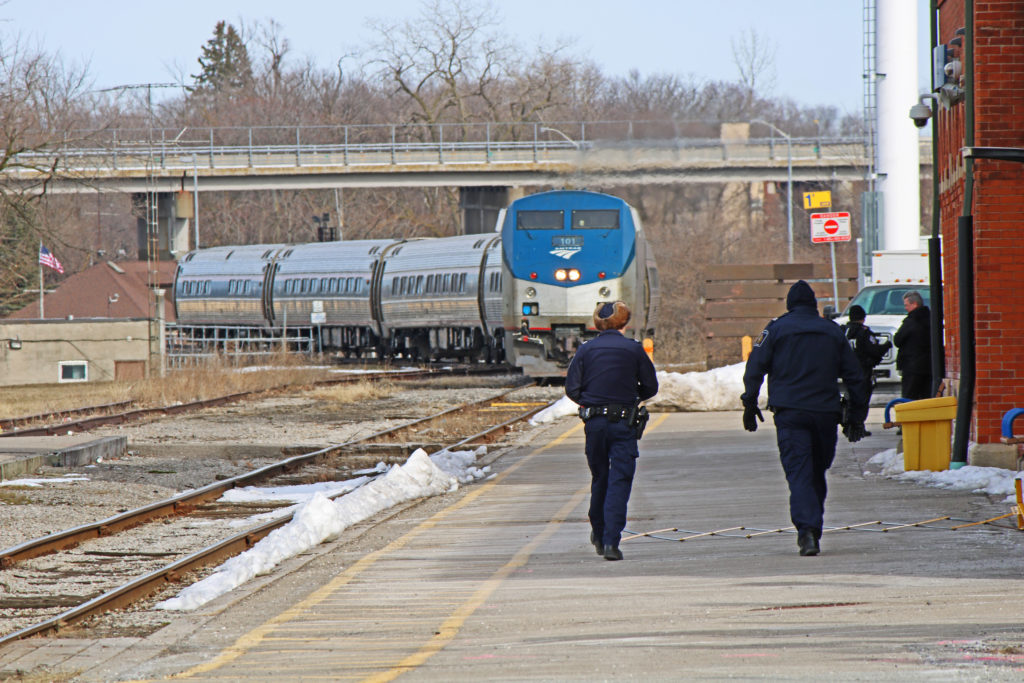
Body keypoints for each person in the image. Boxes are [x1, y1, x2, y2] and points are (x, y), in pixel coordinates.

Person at [740, 281, 869, 557]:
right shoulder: (832, 331)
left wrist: (750, 402)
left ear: (789, 304)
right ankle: (812, 526)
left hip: (791, 413)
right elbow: (856, 376)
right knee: (816, 471)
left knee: (799, 473)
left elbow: (755, 367)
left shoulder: (775, 330)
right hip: (825, 413)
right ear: (814, 305)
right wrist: (857, 417)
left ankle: (807, 532)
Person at [565, 301, 659, 561]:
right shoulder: (634, 349)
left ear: (597, 323)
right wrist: (630, 397)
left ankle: (598, 531)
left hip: (594, 424)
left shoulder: (585, 351)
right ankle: (611, 542)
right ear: (624, 322)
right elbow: (651, 387)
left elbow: (572, 388)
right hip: (624, 423)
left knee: (600, 478)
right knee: (620, 481)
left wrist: (592, 400)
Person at [841, 304, 892, 418]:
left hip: (847, 371)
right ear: (862, 318)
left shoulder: (844, 331)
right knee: (862, 399)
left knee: (850, 396)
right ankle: (859, 425)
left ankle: (849, 420)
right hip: (863, 370)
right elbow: (874, 350)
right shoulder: (864, 332)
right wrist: (887, 345)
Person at [893, 290, 932, 400]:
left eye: (906, 305)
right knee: (926, 397)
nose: (905, 308)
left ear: (914, 304)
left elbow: (898, 340)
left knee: (909, 398)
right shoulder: (931, 319)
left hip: (912, 367)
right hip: (929, 367)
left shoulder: (911, 321)